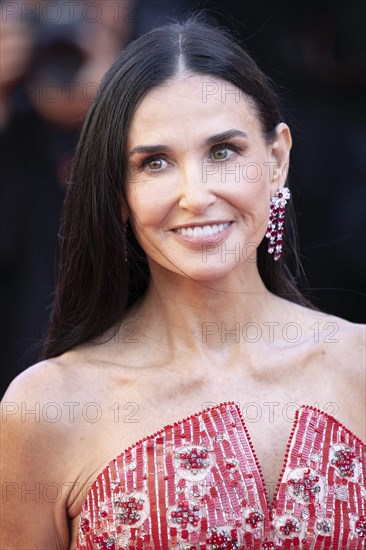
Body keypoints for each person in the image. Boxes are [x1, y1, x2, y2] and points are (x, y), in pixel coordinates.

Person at [1, 15, 365, 550]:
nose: (195, 195)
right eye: (155, 163)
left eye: (223, 152)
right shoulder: (48, 407)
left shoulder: (358, 366)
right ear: (117, 192)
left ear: (277, 160)